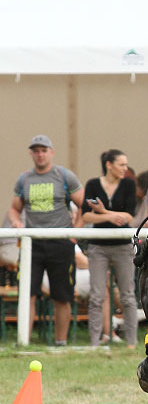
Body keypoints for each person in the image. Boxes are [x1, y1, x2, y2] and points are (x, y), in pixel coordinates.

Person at [10, 134, 84, 345]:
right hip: (32, 243)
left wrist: (75, 233)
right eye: (36, 151)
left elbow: (83, 204)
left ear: (51, 152)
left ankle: (60, 342)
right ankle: (23, 341)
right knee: (27, 293)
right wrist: (16, 223)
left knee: (62, 295)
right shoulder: (24, 179)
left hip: (60, 241)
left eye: (44, 150)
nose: (40, 155)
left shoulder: (63, 175)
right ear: (32, 154)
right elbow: (15, 209)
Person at [82, 149, 138, 348]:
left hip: (123, 246)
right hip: (98, 246)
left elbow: (129, 216)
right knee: (96, 296)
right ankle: (94, 343)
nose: (125, 168)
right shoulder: (92, 184)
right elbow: (86, 216)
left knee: (128, 295)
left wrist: (103, 211)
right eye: (121, 164)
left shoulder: (129, 184)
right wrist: (110, 216)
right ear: (109, 165)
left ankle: (132, 342)